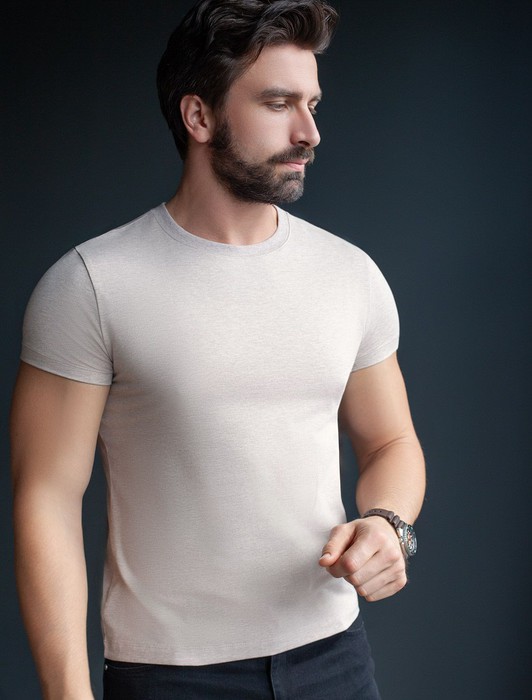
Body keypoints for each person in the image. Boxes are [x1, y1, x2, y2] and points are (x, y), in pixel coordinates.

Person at [10, 1, 425, 698]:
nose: (309, 132)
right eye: (278, 104)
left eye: (313, 105)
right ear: (198, 116)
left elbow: (392, 442)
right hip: (170, 675)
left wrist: (389, 524)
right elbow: (45, 498)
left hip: (335, 660)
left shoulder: (349, 274)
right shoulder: (91, 284)